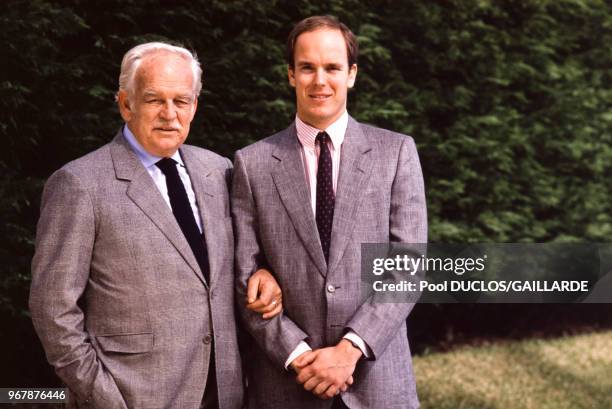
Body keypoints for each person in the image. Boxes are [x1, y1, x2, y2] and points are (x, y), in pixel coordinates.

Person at [30, 42, 282, 409]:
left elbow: (245, 256)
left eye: (181, 101)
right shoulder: (79, 184)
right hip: (133, 397)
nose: (170, 114)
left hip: (226, 394)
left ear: (194, 106)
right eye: (154, 100)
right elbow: (52, 309)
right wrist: (104, 397)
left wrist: (263, 272)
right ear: (126, 103)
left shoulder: (219, 171)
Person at [232, 16, 427, 409]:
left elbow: (409, 265)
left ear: (351, 74)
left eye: (332, 67)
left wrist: (349, 350)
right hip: (288, 384)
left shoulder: (395, 153)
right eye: (307, 67)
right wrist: (299, 355)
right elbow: (243, 276)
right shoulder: (251, 164)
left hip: (376, 381)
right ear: (291, 75)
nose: (320, 80)